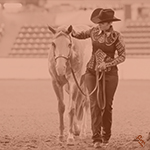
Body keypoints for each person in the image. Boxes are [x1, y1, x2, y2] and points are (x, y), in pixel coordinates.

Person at [71, 8, 126, 148]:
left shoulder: (117, 36)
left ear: (109, 23)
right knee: (94, 104)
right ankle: (96, 138)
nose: (99, 25)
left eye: (102, 23)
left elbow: (122, 56)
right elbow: (80, 35)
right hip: (91, 72)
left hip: (110, 74)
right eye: (99, 22)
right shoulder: (93, 31)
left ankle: (106, 135)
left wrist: (108, 63)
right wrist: (70, 31)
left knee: (106, 105)